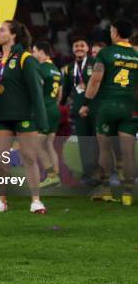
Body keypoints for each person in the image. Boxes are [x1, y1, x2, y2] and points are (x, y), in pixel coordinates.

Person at [0, 21, 49, 214]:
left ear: (13, 35)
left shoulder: (26, 58)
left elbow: (36, 91)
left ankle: (36, 200)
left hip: (25, 116)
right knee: (1, 158)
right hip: (2, 116)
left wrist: (42, 121)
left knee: (29, 157)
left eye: (1, 30)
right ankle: (1, 200)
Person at [79, 19, 137, 206]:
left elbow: (95, 80)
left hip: (108, 106)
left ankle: (105, 189)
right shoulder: (136, 55)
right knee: (128, 151)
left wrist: (86, 103)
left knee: (104, 148)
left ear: (115, 32)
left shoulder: (106, 53)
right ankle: (128, 194)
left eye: (111, 30)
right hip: (130, 107)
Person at [60, 37, 99, 186]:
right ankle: (88, 173)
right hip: (78, 110)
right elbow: (67, 89)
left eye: (82, 46)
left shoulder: (95, 64)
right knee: (84, 142)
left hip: (94, 108)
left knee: (97, 141)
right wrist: (59, 105)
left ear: (87, 48)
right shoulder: (69, 68)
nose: (79, 49)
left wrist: (90, 105)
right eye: (76, 46)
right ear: (72, 49)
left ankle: (100, 172)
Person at [32, 41, 62, 188]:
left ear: (41, 52)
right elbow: (60, 95)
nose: (32, 54)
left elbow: (36, 91)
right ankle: (56, 179)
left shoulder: (40, 68)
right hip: (54, 109)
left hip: (44, 110)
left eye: (34, 51)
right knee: (49, 144)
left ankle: (51, 175)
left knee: (36, 144)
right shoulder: (56, 69)